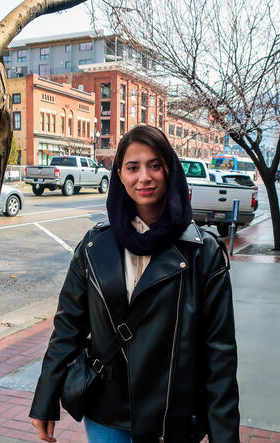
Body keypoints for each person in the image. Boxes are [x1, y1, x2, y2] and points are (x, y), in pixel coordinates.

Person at [29, 125, 239, 443]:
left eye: (155, 165)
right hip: (106, 412)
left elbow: (219, 353)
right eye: (133, 167)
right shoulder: (93, 246)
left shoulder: (203, 252)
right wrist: (45, 400)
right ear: (119, 174)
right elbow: (68, 327)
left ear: (170, 170)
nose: (144, 177)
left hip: (173, 416)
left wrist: (225, 435)